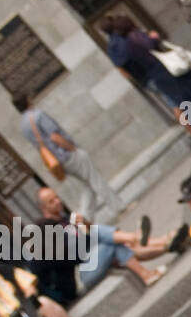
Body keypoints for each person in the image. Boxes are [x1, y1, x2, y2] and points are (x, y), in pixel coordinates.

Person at [30, 186, 170, 299]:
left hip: (92, 260)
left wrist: (84, 223)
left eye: (57, 197)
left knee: (115, 244)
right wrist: (86, 234)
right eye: (51, 201)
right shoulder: (47, 232)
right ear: (44, 209)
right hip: (81, 276)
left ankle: (162, 246)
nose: (57, 201)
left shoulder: (65, 219)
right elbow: (77, 255)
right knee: (107, 240)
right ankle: (140, 239)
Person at [100, 15, 191, 133]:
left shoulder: (112, 47)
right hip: (161, 69)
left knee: (179, 102)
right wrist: (154, 37)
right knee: (186, 95)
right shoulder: (132, 36)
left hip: (148, 77)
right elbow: (149, 44)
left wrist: (138, 79)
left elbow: (121, 68)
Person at [12, 95, 125, 223]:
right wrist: (72, 148)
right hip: (67, 154)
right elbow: (54, 136)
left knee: (87, 185)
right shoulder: (38, 115)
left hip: (57, 161)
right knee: (95, 180)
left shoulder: (23, 126)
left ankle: (84, 220)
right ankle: (119, 207)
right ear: (27, 100)